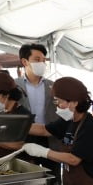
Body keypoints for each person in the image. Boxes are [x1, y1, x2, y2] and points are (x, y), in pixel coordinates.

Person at [15, 44, 60, 175]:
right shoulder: (14, 86)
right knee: (26, 179)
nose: (42, 63)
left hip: (49, 138)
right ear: (24, 61)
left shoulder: (53, 86)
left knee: (53, 178)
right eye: (37, 59)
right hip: (24, 139)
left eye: (44, 60)